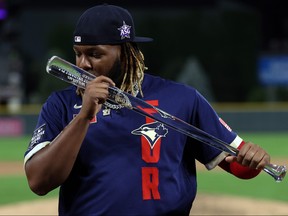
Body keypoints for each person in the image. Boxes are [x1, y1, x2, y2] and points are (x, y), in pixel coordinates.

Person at [24, 4, 270, 215]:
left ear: (126, 52)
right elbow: (39, 181)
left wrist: (253, 159)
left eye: (95, 54)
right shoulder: (62, 105)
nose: (83, 64)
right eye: (78, 54)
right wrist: (84, 117)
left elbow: (235, 164)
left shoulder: (181, 98)